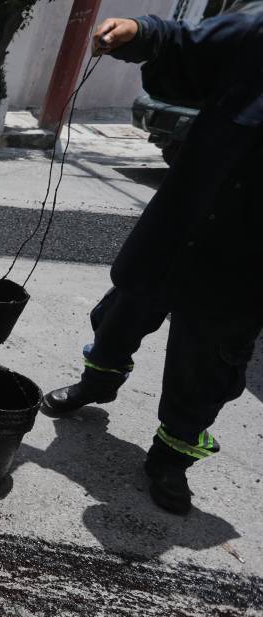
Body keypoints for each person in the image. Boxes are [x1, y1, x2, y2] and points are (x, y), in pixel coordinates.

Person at [41, 10, 262, 514]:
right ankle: (96, 384)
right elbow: (186, 45)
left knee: (208, 361)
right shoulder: (259, 30)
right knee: (123, 312)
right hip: (183, 219)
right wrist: (141, 34)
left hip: (248, 255)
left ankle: (171, 457)